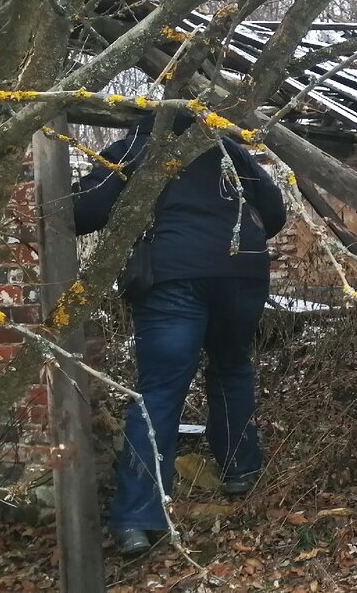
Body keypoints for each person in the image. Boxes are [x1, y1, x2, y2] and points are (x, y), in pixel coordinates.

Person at [71, 111, 287, 556]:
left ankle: (137, 518)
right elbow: (276, 212)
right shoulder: (228, 145)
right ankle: (240, 470)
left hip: (173, 274)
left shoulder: (141, 142)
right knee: (232, 367)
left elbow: (85, 211)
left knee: (160, 391)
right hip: (242, 271)